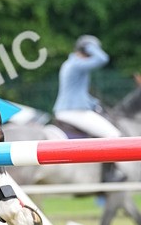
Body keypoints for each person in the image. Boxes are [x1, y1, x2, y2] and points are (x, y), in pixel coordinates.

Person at [53, 35, 132, 183]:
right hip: (74, 111)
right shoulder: (77, 63)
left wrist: (92, 102)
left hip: (68, 109)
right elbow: (102, 59)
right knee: (113, 134)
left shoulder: (69, 63)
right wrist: (90, 46)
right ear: (86, 50)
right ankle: (111, 174)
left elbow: (75, 91)